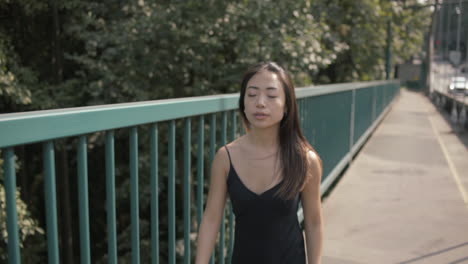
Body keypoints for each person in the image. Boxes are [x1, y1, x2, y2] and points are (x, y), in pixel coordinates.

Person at [195, 62, 323, 264]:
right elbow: (211, 219)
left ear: (287, 105)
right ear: (243, 103)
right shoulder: (226, 157)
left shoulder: (305, 160)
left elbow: (314, 222)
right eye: (252, 95)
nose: (260, 103)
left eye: (271, 96)